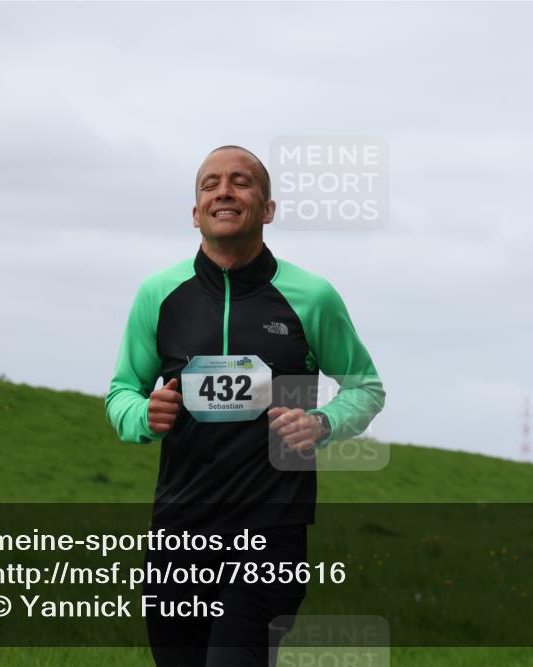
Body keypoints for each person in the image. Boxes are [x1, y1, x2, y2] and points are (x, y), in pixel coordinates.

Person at [105, 145, 386, 666]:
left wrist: (322, 422)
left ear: (268, 208)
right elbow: (122, 391)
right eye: (210, 184)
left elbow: (365, 387)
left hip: (271, 532)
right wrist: (143, 415)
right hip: (179, 531)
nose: (224, 192)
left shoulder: (312, 296)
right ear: (195, 213)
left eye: (241, 181)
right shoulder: (159, 294)